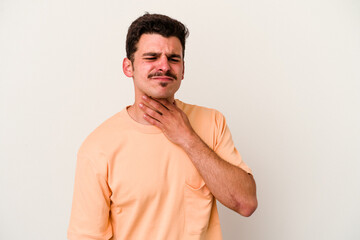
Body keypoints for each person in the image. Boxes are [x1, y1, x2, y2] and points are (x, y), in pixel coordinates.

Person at [68, 13, 257, 240]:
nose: (164, 66)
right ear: (128, 67)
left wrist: (187, 137)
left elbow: (246, 203)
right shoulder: (98, 147)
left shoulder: (212, 122)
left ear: (183, 70)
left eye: (174, 58)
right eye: (152, 57)